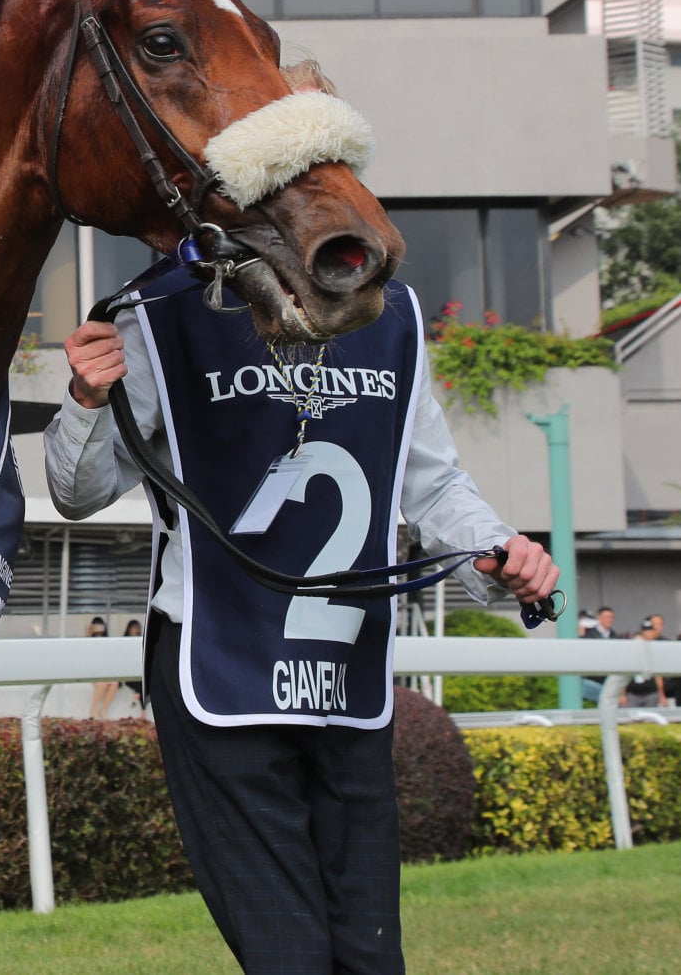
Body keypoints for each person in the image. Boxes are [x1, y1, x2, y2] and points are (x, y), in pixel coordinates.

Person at [45, 270, 556, 975]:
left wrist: (495, 553)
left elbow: (431, 483)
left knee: (371, 958)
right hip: (216, 666)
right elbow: (80, 493)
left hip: (344, 677)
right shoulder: (155, 311)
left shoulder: (393, 310)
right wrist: (84, 401)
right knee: (288, 954)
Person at [626, 617, 663, 707]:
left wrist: (662, 695)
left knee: (650, 717)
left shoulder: (654, 649)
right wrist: (622, 694)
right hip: (633, 691)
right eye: (646, 631)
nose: (648, 633)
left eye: (650, 631)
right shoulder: (631, 652)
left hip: (650, 691)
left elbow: (658, 676)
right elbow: (624, 675)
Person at [86, 616, 115, 718]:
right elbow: (85, 650)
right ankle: (93, 709)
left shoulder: (106, 640)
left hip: (105, 670)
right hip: (93, 670)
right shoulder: (89, 640)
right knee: (102, 684)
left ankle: (103, 710)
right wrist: (89, 632)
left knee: (114, 683)